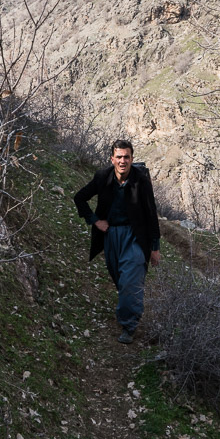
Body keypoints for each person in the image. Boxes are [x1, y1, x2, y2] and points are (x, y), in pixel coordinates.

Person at [74, 140, 162, 344]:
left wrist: (155, 248)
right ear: (112, 159)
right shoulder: (102, 177)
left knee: (131, 280)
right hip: (111, 236)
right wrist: (95, 221)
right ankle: (129, 307)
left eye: (127, 157)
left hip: (135, 236)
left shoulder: (141, 180)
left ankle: (128, 326)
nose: (123, 161)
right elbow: (79, 198)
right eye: (119, 157)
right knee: (120, 280)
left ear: (132, 158)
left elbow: (151, 214)